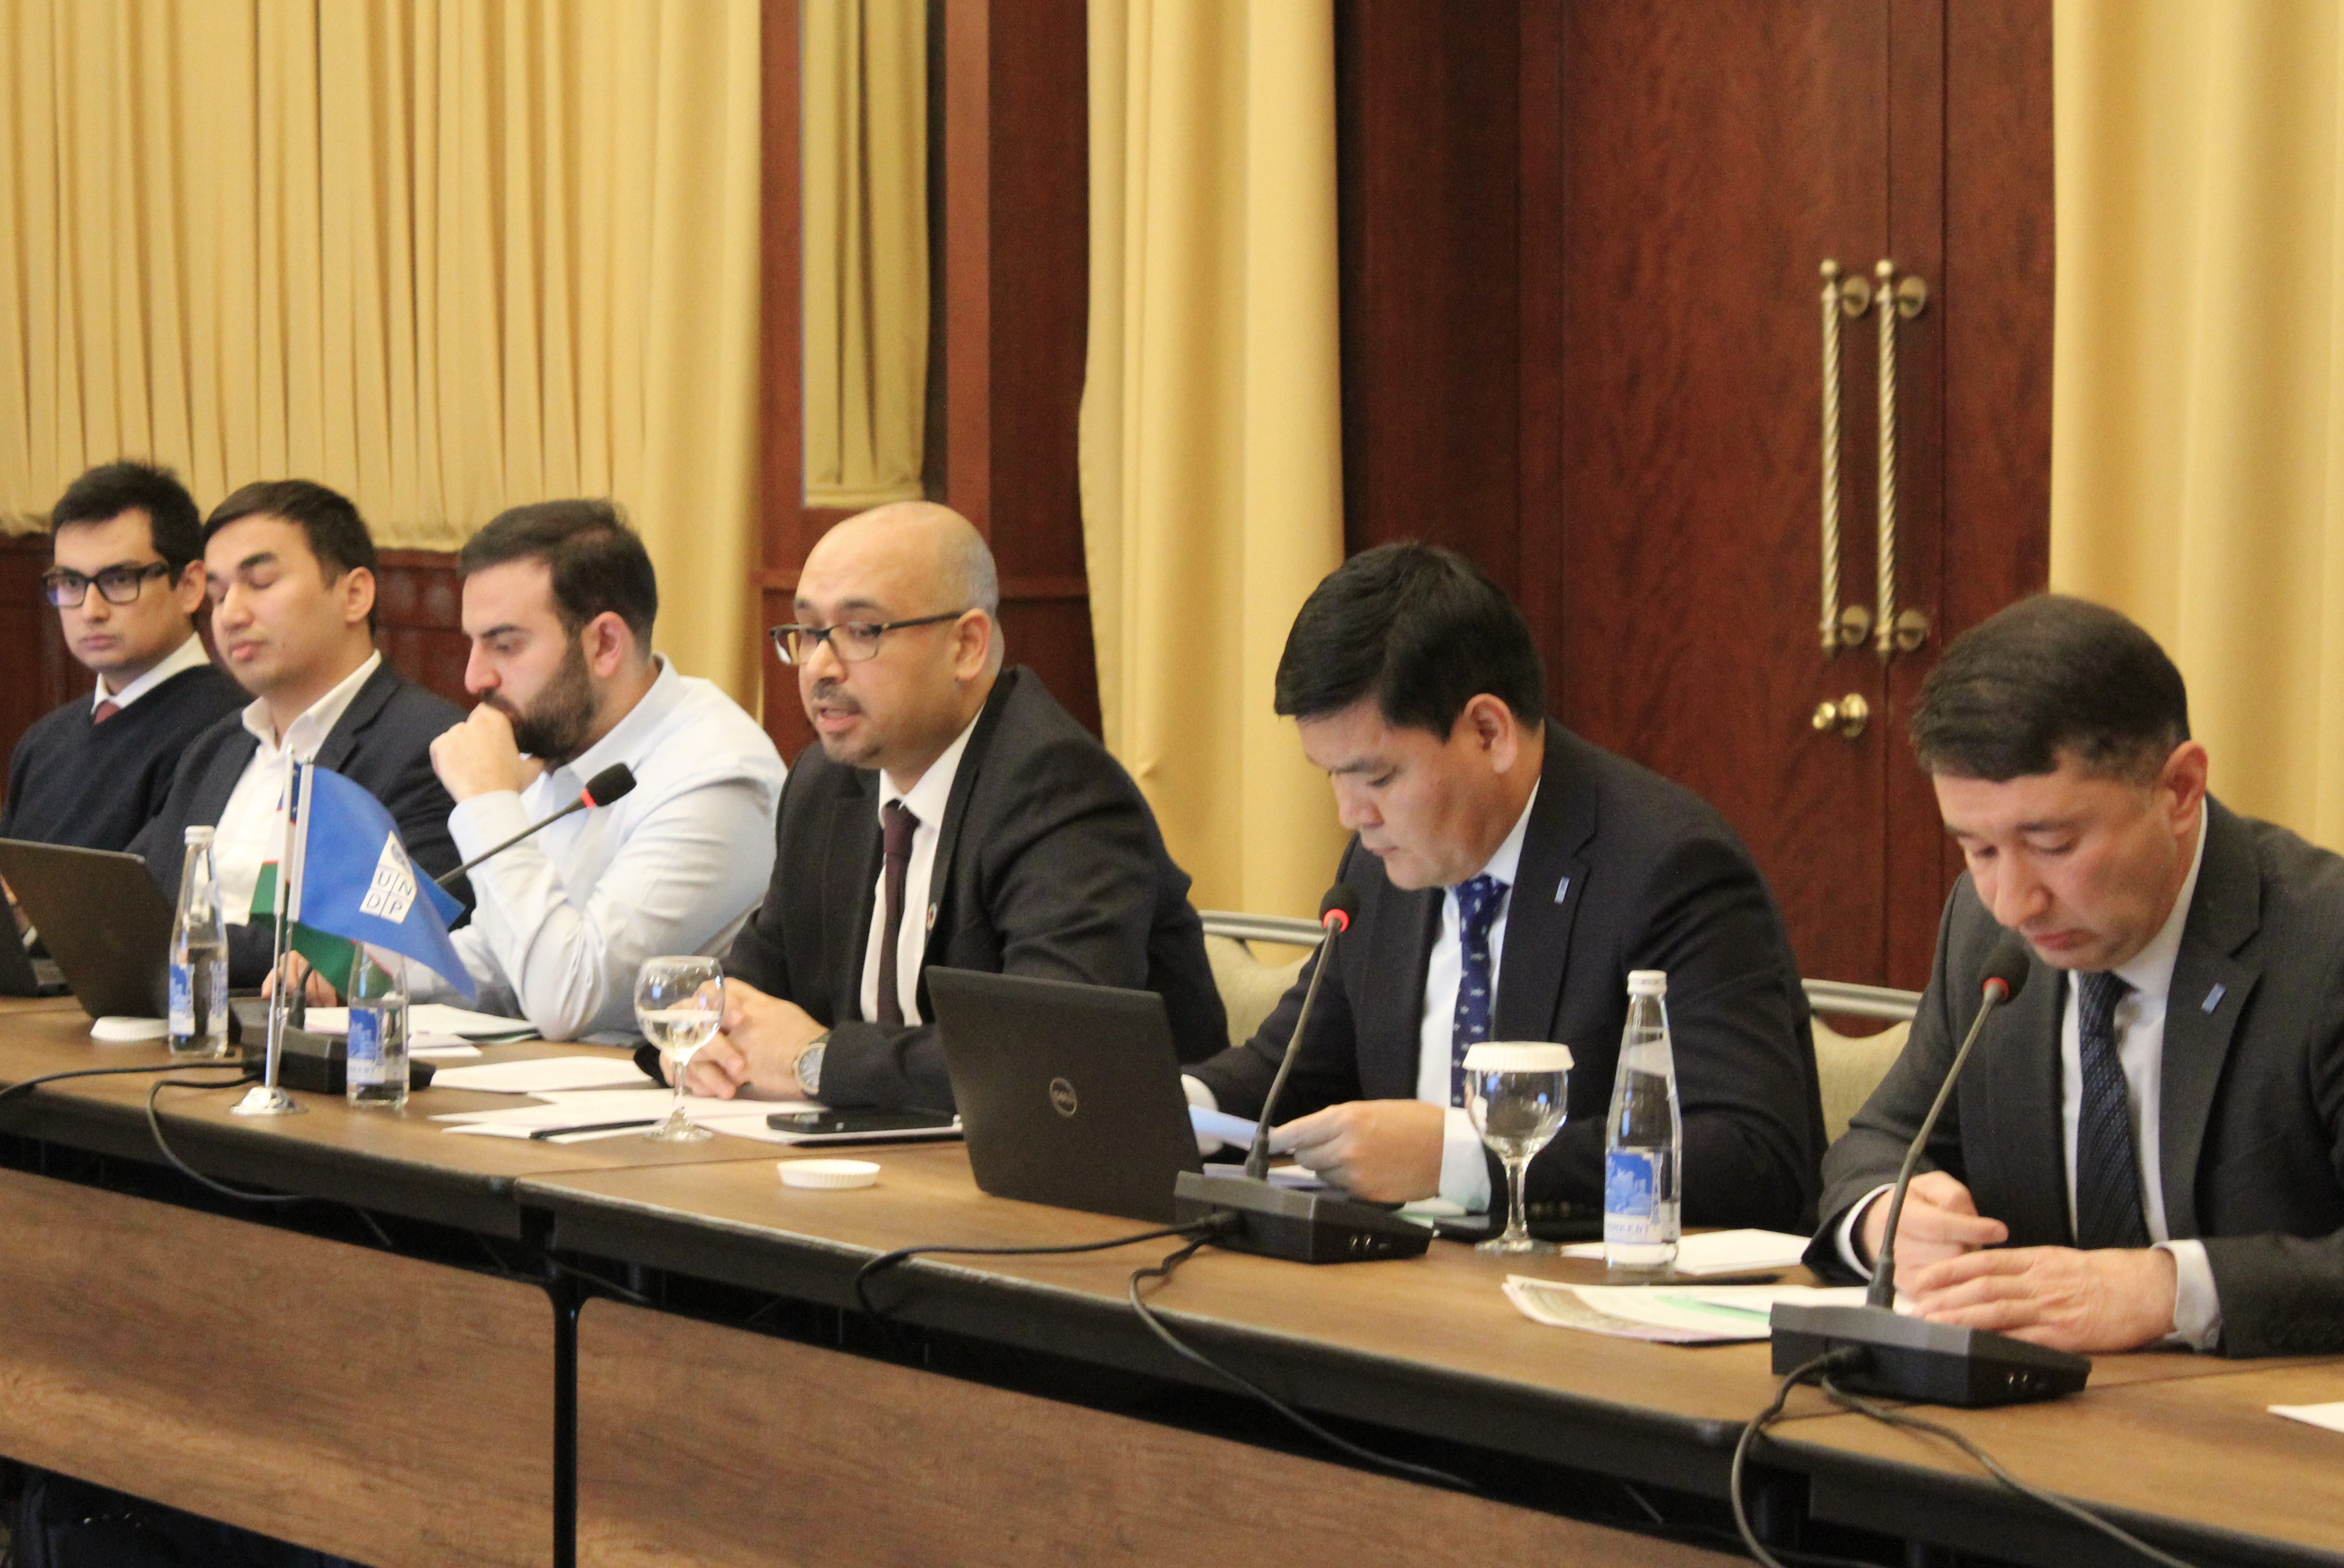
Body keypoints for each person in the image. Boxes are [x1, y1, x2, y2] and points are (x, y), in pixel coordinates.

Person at [1185, 543, 1823, 1233]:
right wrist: (1180, 1105)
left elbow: (1751, 1157)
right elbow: (1296, 1070)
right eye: (1330, 776)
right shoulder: (1384, 868)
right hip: (1402, 1296)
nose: (1351, 815)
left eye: (1378, 778)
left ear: (1489, 733)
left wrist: (1461, 1160)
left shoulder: (1667, 869)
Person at [1815, 594, 2344, 1357]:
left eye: (2054, 842)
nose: (2013, 901)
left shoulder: (2322, 946)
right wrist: (1887, 1215)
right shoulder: (1982, 931)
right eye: (1979, 849)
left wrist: (2173, 1290)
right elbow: (1885, 1138)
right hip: (2039, 1425)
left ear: (2179, 792)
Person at [678, 501, 1226, 1111]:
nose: (820, 668)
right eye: (808, 633)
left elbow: (1050, 1052)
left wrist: (819, 1061)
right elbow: (750, 988)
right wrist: (699, 1039)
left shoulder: (1058, 790)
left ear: (966, 645)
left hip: (1090, 1179)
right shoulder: (828, 782)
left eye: (862, 632)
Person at [422, 500, 783, 1039]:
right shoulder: (569, 741)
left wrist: (487, 804)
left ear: (605, 643)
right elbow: (509, 955)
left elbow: (570, 998)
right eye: (472, 645)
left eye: (504, 645)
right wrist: (370, 972)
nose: (475, 677)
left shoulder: (714, 779)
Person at [130, 480, 461, 982]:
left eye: (260, 584)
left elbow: (393, 938)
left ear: (354, 595)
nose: (231, 616)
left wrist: (177, 947)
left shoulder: (431, 746)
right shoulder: (216, 749)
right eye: (218, 597)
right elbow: (143, 898)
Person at [0, 461, 248, 851]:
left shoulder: (231, 732)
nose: (91, 611)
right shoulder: (43, 743)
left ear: (189, 585)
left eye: (119, 580)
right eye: (70, 583)